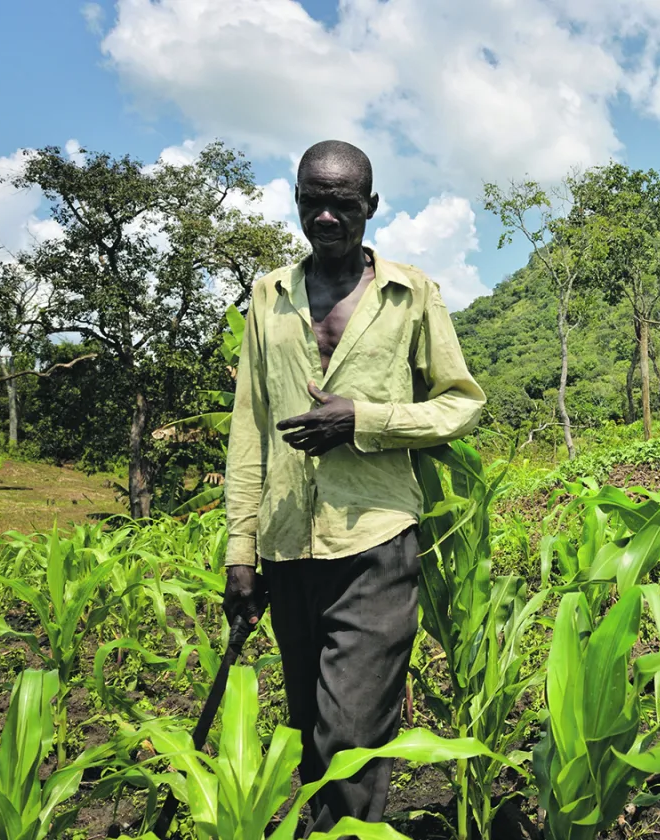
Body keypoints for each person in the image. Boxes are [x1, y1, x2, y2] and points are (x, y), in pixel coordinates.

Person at [220, 140, 485, 835]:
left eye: (344, 201)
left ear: (371, 205)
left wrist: (362, 420)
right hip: (286, 547)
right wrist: (239, 554)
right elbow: (248, 426)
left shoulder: (410, 293)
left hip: (375, 543)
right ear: (298, 201)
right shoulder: (267, 295)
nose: (328, 215)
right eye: (315, 199)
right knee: (307, 731)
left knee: (352, 739)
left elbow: (460, 403)